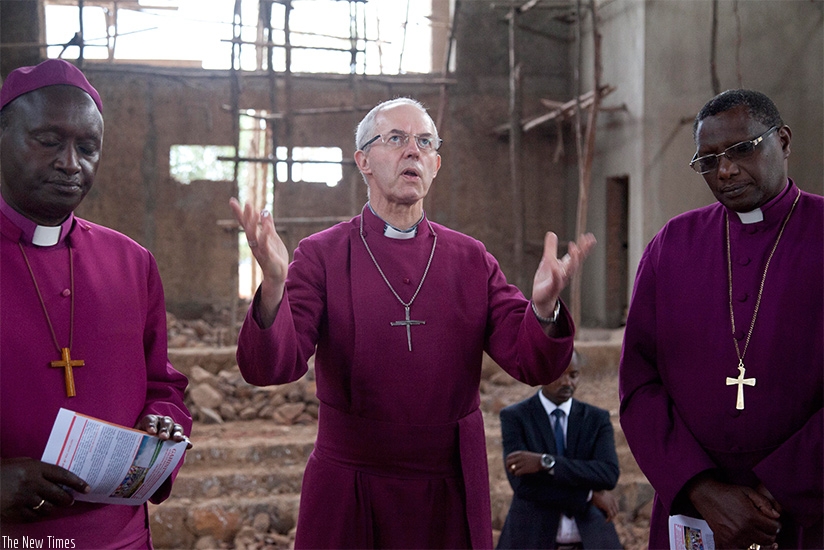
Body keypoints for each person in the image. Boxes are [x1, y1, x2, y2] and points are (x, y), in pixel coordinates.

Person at [230, 97, 596, 548]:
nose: (413, 151)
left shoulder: (470, 259)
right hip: (352, 485)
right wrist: (273, 283)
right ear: (363, 161)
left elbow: (533, 363)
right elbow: (271, 366)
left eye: (424, 142)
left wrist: (543, 308)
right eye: (396, 139)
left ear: (435, 165)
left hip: (449, 487)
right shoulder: (322, 254)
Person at [0, 59, 192, 548]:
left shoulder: (132, 262)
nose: (70, 163)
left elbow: (162, 384)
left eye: (87, 148)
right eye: (48, 141)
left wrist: (162, 422)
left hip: (120, 537)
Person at [619, 89, 822, 549]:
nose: (725, 170)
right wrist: (702, 489)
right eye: (708, 160)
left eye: (741, 149)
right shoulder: (671, 246)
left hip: (808, 507)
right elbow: (638, 384)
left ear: (783, 141)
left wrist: (779, 490)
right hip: (696, 511)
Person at [497, 350, 622, 550]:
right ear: (541, 373)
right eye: (559, 374)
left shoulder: (596, 419)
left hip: (591, 539)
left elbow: (608, 474)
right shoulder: (516, 417)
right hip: (531, 539)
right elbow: (523, 486)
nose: (567, 382)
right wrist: (589, 495)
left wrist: (545, 463)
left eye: (573, 375)